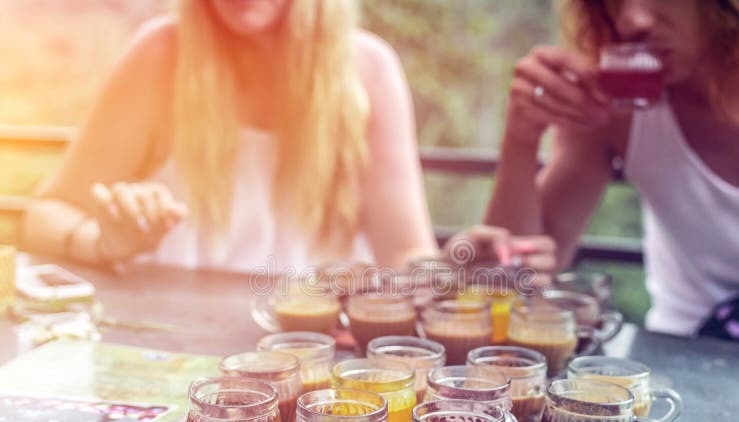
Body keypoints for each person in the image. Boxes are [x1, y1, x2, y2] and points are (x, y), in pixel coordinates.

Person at [22, 0, 438, 273]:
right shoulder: (160, 55)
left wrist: (465, 267)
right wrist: (104, 243)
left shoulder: (369, 69)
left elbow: (405, 255)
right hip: (171, 347)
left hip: (315, 365)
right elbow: (48, 214)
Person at [485, 0, 739, 352]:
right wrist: (521, 140)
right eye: (613, 2)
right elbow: (518, 277)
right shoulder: (619, 104)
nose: (632, 21)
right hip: (684, 356)